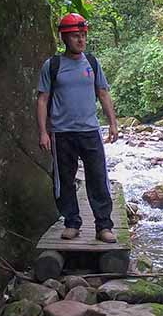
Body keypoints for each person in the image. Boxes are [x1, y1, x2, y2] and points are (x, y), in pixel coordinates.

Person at [36, 13, 121, 242]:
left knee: (98, 177)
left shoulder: (92, 63)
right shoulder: (52, 66)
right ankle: (72, 222)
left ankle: (104, 226)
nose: (81, 40)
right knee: (64, 179)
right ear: (65, 38)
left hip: (90, 130)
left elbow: (103, 93)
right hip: (62, 133)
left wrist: (113, 123)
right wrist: (44, 132)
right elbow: (43, 99)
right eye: (76, 36)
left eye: (83, 35)